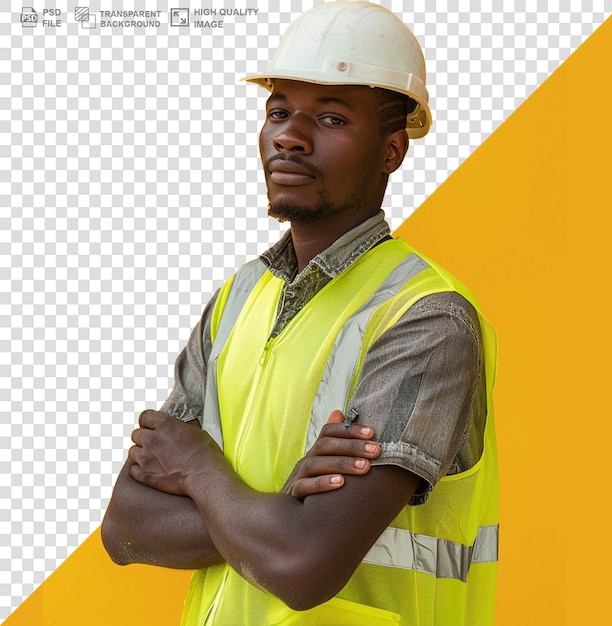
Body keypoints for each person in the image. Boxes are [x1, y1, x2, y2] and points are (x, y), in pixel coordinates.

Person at [101, 2, 499, 624]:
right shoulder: (238, 299)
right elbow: (126, 527)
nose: (289, 134)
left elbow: (305, 565)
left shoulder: (425, 319)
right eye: (279, 111)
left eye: (332, 117)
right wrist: (283, 511)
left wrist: (201, 472)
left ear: (392, 150)